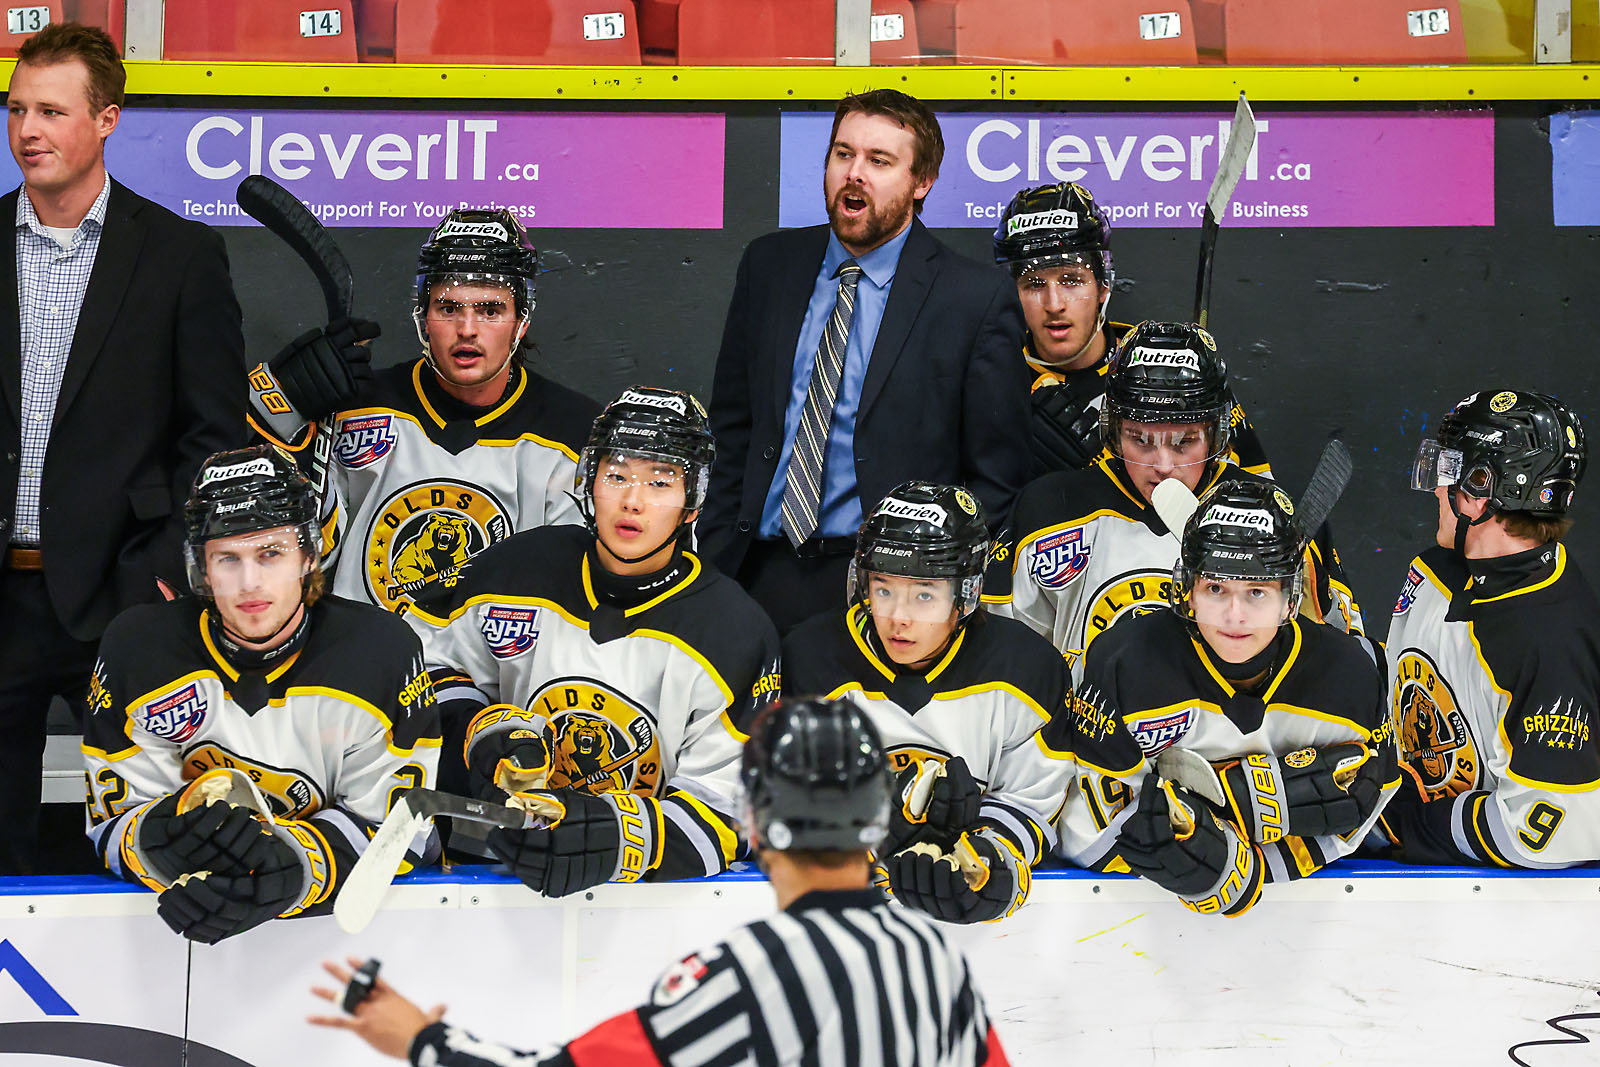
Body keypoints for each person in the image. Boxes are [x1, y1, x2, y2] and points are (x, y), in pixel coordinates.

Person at [308, 698, 1010, 1066]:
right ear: (875, 822)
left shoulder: (750, 975)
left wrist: (423, 1040)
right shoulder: (936, 964)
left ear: (756, 825)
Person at [0, 22, 245, 874]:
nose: (28, 130)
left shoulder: (181, 255)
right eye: (18, 108)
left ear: (106, 120)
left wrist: (159, 576)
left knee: (146, 842)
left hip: (123, 596)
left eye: (52, 111)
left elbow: (213, 438)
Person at [403, 387, 782, 889]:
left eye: (660, 482)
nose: (633, 501)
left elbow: (727, 808)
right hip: (484, 872)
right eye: (617, 475)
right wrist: (484, 729)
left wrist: (615, 841)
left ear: (693, 500)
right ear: (589, 481)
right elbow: (429, 676)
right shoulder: (514, 569)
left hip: (642, 900)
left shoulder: (734, 631)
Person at [81, 446, 442, 943]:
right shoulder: (138, 649)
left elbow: (402, 830)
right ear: (202, 569)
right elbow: (111, 822)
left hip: (354, 938)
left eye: (270, 553)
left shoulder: (382, 652)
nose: (249, 582)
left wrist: (293, 868)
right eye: (228, 557)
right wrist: (160, 841)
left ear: (309, 555)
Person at [703, 88, 1029, 633]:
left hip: (885, 593)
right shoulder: (769, 265)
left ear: (921, 182)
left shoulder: (973, 298)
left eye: (879, 161)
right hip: (751, 573)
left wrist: (927, 585)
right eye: (843, 154)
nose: (855, 173)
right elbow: (733, 426)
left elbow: (997, 476)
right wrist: (713, 560)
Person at [1063, 474, 1396, 917]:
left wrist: (1243, 871)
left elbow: (1362, 805)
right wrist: (1214, 861)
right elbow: (1085, 831)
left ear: (1288, 598)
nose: (1234, 615)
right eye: (1216, 588)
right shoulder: (1124, 662)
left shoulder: (1353, 677)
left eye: (1256, 591)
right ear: (1188, 590)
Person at [247, 207, 599, 618]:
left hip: (493, 675)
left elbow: (571, 598)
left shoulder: (574, 433)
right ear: (424, 315)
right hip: (359, 667)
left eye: (489, 310)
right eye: (449, 308)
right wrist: (282, 416)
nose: (467, 328)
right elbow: (294, 561)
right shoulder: (354, 405)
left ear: (520, 320)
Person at [987, 321, 1362, 677]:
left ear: (1216, 434)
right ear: (1113, 431)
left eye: (1184, 442)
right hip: (1084, 740)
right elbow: (998, 655)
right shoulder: (1049, 508)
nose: (1163, 466)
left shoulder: (1274, 516)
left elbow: (1347, 657)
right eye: (1141, 440)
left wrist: (1302, 623)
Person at [781, 482, 1077, 924]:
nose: (899, 616)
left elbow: (1030, 799)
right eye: (883, 589)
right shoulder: (811, 658)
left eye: (924, 594)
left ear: (966, 594)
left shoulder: (1027, 668)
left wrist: (986, 860)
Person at [1381, 388, 1600, 868]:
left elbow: (1554, 829)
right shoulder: (1437, 570)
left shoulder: (1549, 640)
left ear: (1483, 488)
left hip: (1508, 924)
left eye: (1451, 475)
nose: (1439, 489)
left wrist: (1401, 822)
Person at [992, 182, 1270, 479]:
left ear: (1102, 285)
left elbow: (1257, 488)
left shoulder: (1174, 364)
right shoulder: (992, 377)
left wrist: (1100, 472)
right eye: (1034, 284)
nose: (1054, 303)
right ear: (1011, 294)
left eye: (1071, 280)